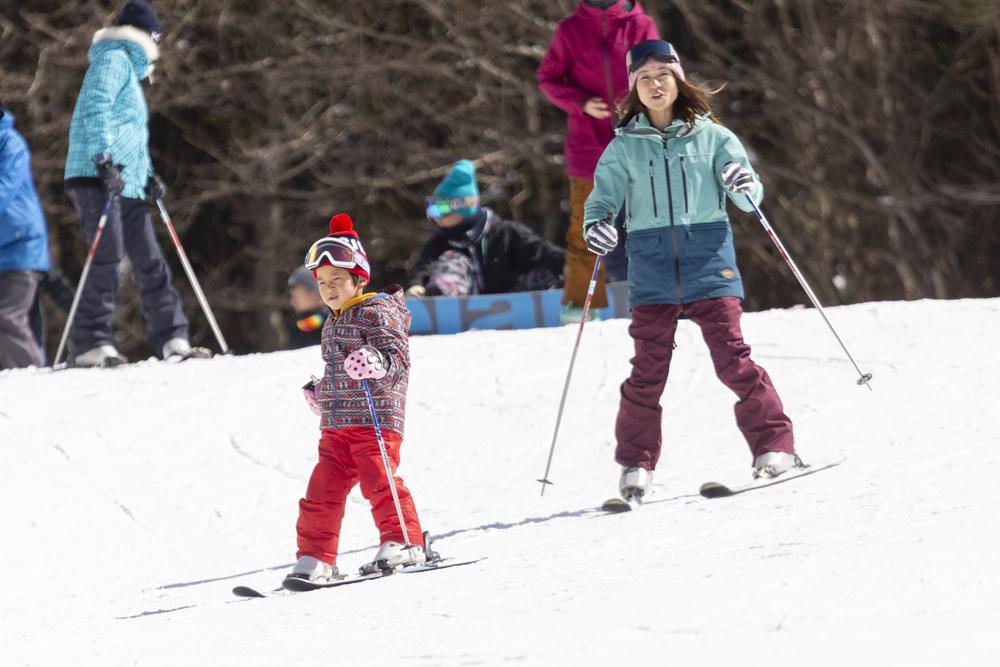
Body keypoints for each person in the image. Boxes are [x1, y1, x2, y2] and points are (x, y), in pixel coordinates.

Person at [581, 39, 800, 499]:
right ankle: (635, 466)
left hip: (708, 257)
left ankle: (774, 447)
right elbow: (601, 203)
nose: (655, 84)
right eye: (644, 79)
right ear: (634, 90)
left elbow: (747, 199)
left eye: (663, 75)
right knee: (647, 371)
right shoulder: (623, 149)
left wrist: (744, 184)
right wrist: (597, 226)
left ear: (678, 80)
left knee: (733, 359)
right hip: (651, 262)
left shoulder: (715, 137)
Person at [289, 213, 431, 586]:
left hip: (374, 421)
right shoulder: (333, 320)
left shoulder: (378, 311)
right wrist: (324, 394)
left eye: (337, 280)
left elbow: (397, 362)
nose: (329, 288)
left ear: (359, 278)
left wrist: (377, 361)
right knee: (321, 492)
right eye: (322, 282)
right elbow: (342, 370)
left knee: (378, 481)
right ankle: (316, 557)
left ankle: (406, 540)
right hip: (337, 427)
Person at [63, 0, 197, 367]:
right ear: (148, 38)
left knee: (149, 260)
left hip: (126, 181)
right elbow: (96, 107)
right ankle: (91, 341)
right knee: (107, 254)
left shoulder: (131, 72)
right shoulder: (114, 60)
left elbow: (132, 136)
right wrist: (103, 159)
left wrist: (147, 175)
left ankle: (173, 337)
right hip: (96, 176)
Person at [536, 0, 659, 323]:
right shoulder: (569, 30)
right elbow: (548, 79)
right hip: (589, 148)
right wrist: (579, 102)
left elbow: (662, 77)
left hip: (637, 144)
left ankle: (655, 298)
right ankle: (581, 307)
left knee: (648, 226)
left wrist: (641, 107)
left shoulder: (640, 25)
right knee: (586, 230)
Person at [406, 160, 565, 297]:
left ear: (463, 207)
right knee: (452, 261)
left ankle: (556, 304)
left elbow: (541, 250)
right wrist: (417, 284)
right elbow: (425, 264)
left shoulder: (506, 232)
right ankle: (441, 308)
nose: (435, 216)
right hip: (463, 309)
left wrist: (570, 265)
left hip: (513, 300)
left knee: (545, 269)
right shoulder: (441, 241)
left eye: (440, 209)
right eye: (431, 209)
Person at [0, 108, 49, 370]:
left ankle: (33, 375)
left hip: (21, 247)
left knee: (7, 317)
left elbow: (4, 187)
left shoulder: (10, 142)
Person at [286, 266, 327, 349]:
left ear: (315, 294)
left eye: (296, 297)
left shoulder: (329, 322)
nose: (292, 302)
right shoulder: (303, 325)